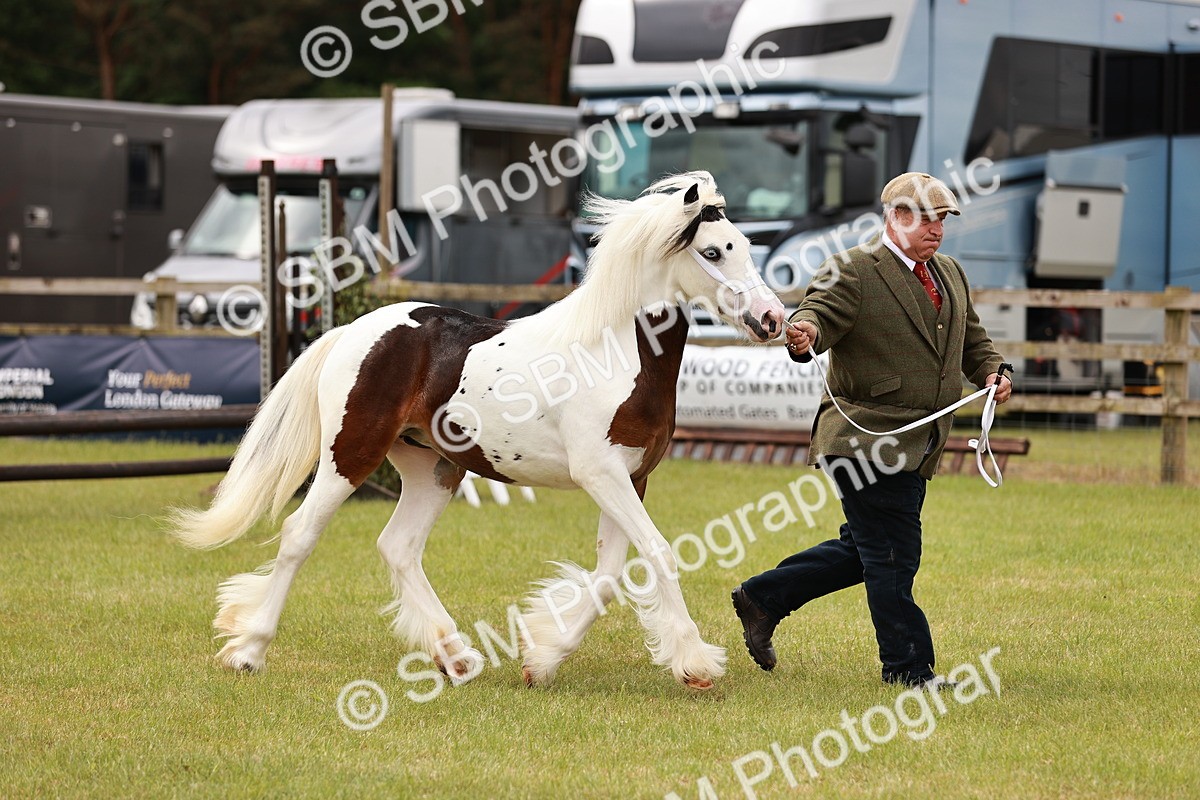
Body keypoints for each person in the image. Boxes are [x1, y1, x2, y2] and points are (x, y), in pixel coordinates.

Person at [731, 172, 1012, 688]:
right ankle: (908, 669)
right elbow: (817, 316)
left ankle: (763, 597)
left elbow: (973, 339)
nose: (936, 230)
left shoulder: (948, 272)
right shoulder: (853, 270)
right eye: (926, 218)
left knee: (866, 550)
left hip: (918, 443)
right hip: (863, 443)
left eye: (942, 219)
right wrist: (805, 334)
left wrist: (994, 371)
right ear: (895, 217)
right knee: (894, 556)